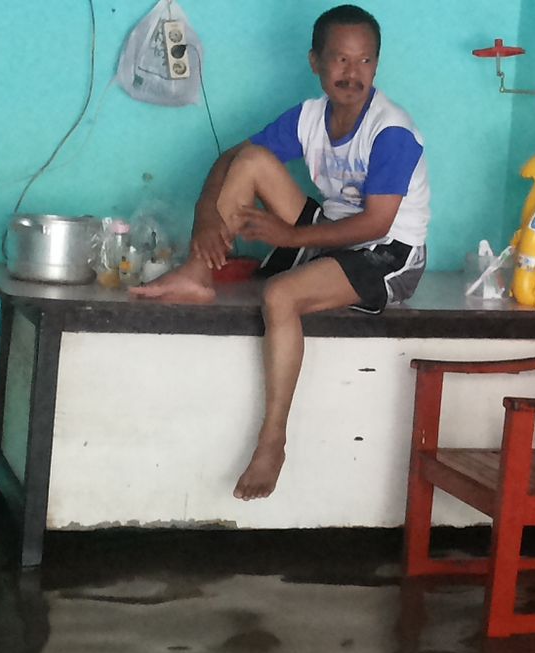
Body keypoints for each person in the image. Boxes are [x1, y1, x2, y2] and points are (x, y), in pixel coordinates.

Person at [130, 3, 430, 501]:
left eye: (364, 62)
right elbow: (230, 159)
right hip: (336, 234)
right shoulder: (310, 118)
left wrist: (289, 238)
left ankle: (273, 439)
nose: (351, 74)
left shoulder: (390, 131)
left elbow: (377, 222)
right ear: (315, 62)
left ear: (376, 66)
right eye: (339, 60)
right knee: (250, 160)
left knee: (281, 294)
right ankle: (196, 274)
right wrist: (206, 217)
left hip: (388, 255)